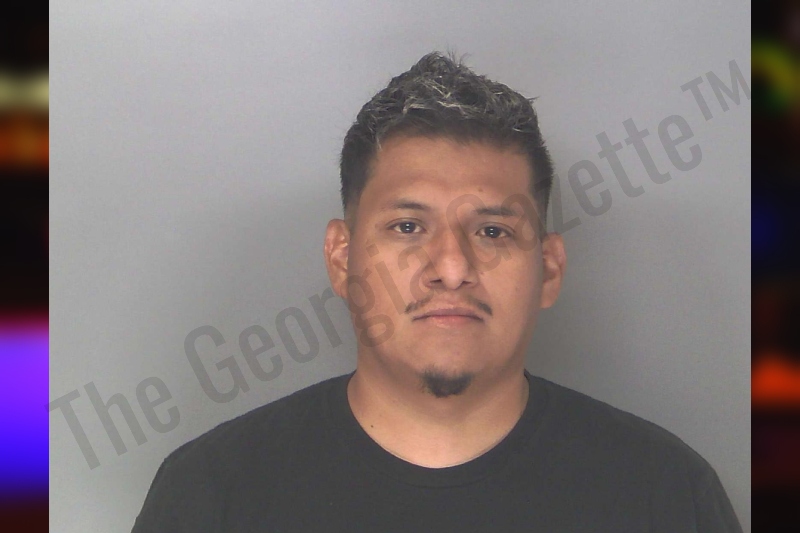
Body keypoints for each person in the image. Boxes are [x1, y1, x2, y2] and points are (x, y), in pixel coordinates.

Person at [132, 52, 743, 532]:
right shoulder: (211, 494)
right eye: (407, 227)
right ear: (341, 258)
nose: (451, 268)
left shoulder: (666, 495)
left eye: (492, 231)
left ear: (549, 269)